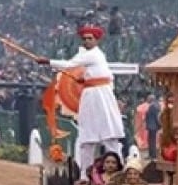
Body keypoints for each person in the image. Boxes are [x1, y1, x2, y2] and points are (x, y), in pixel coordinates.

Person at [36, 24, 125, 172]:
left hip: (100, 96)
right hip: (91, 95)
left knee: (109, 136)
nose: (86, 41)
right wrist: (85, 79)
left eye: (90, 38)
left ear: (96, 40)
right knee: (88, 139)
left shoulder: (93, 54)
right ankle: (85, 174)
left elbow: (69, 65)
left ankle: (118, 171)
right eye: (84, 39)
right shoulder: (90, 55)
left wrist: (48, 62)